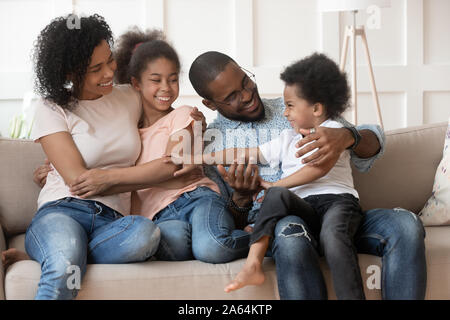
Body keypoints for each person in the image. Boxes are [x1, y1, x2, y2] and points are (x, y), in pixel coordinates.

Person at [188, 51, 427, 299]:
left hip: (339, 212)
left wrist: (348, 136)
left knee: (407, 225)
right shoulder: (213, 143)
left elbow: (373, 140)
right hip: (289, 221)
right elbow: (227, 228)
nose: (247, 95)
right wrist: (241, 197)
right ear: (211, 104)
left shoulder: (296, 102)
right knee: (291, 234)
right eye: (232, 96)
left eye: (246, 82)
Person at [2, 15, 164, 300]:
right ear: (68, 73)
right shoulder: (52, 107)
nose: (109, 73)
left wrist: (193, 121)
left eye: (110, 61)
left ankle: (50, 252)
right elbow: (78, 182)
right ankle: (59, 252)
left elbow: (167, 127)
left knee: (146, 235)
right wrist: (134, 177)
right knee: (65, 265)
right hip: (63, 210)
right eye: (95, 69)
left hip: (113, 221)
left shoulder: (131, 97)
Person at [65, 28, 250, 263]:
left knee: (211, 248)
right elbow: (89, 152)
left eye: (173, 80)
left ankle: (263, 237)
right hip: (159, 216)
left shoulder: (184, 115)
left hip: (196, 199)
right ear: (136, 84)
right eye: (156, 80)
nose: (166, 88)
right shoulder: (126, 135)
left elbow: (172, 165)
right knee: (175, 247)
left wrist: (111, 178)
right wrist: (50, 168)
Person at [201, 53, 364, 299]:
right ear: (210, 103)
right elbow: (246, 153)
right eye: (232, 96)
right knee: (277, 197)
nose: (285, 113)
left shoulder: (331, 132)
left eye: (290, 107)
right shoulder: (287, 137)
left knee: (333, 237)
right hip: (305, 209)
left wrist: (275, 183)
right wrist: (196, 158)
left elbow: (317, 169)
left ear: (317, 109)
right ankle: (253, 264)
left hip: (337, 202)